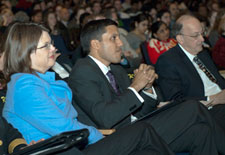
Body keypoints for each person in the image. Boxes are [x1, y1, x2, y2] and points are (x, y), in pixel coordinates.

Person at [2, 22, 174, 155]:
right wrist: (102, 137)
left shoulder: (42, 81)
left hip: (74, 146)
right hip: (62, 150)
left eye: (52, 43)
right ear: (26, 52)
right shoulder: (24, 86)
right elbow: (65, 129)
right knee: (141, 131)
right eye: (46, 45)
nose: (54, 49)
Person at [68, 19, 222, 154]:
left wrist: (147, 88)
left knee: (200, 132)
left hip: (139, 127)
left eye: (119, 38)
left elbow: (141, 112)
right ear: (95, 44)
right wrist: (135, 87)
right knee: (192, 108)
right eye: (113, 38)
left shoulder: (116, 69)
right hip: (119, 137)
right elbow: (106, 118)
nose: (120, 43)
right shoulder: (82, 72)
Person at [155, 14, 225, 132]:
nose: (202, 39)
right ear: (180, 38)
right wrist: (213, 99)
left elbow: (218, 81)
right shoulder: (167, 61)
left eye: (202, 33)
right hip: (205, 111)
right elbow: (175, 101)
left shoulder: (203, 53)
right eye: (195, 35)